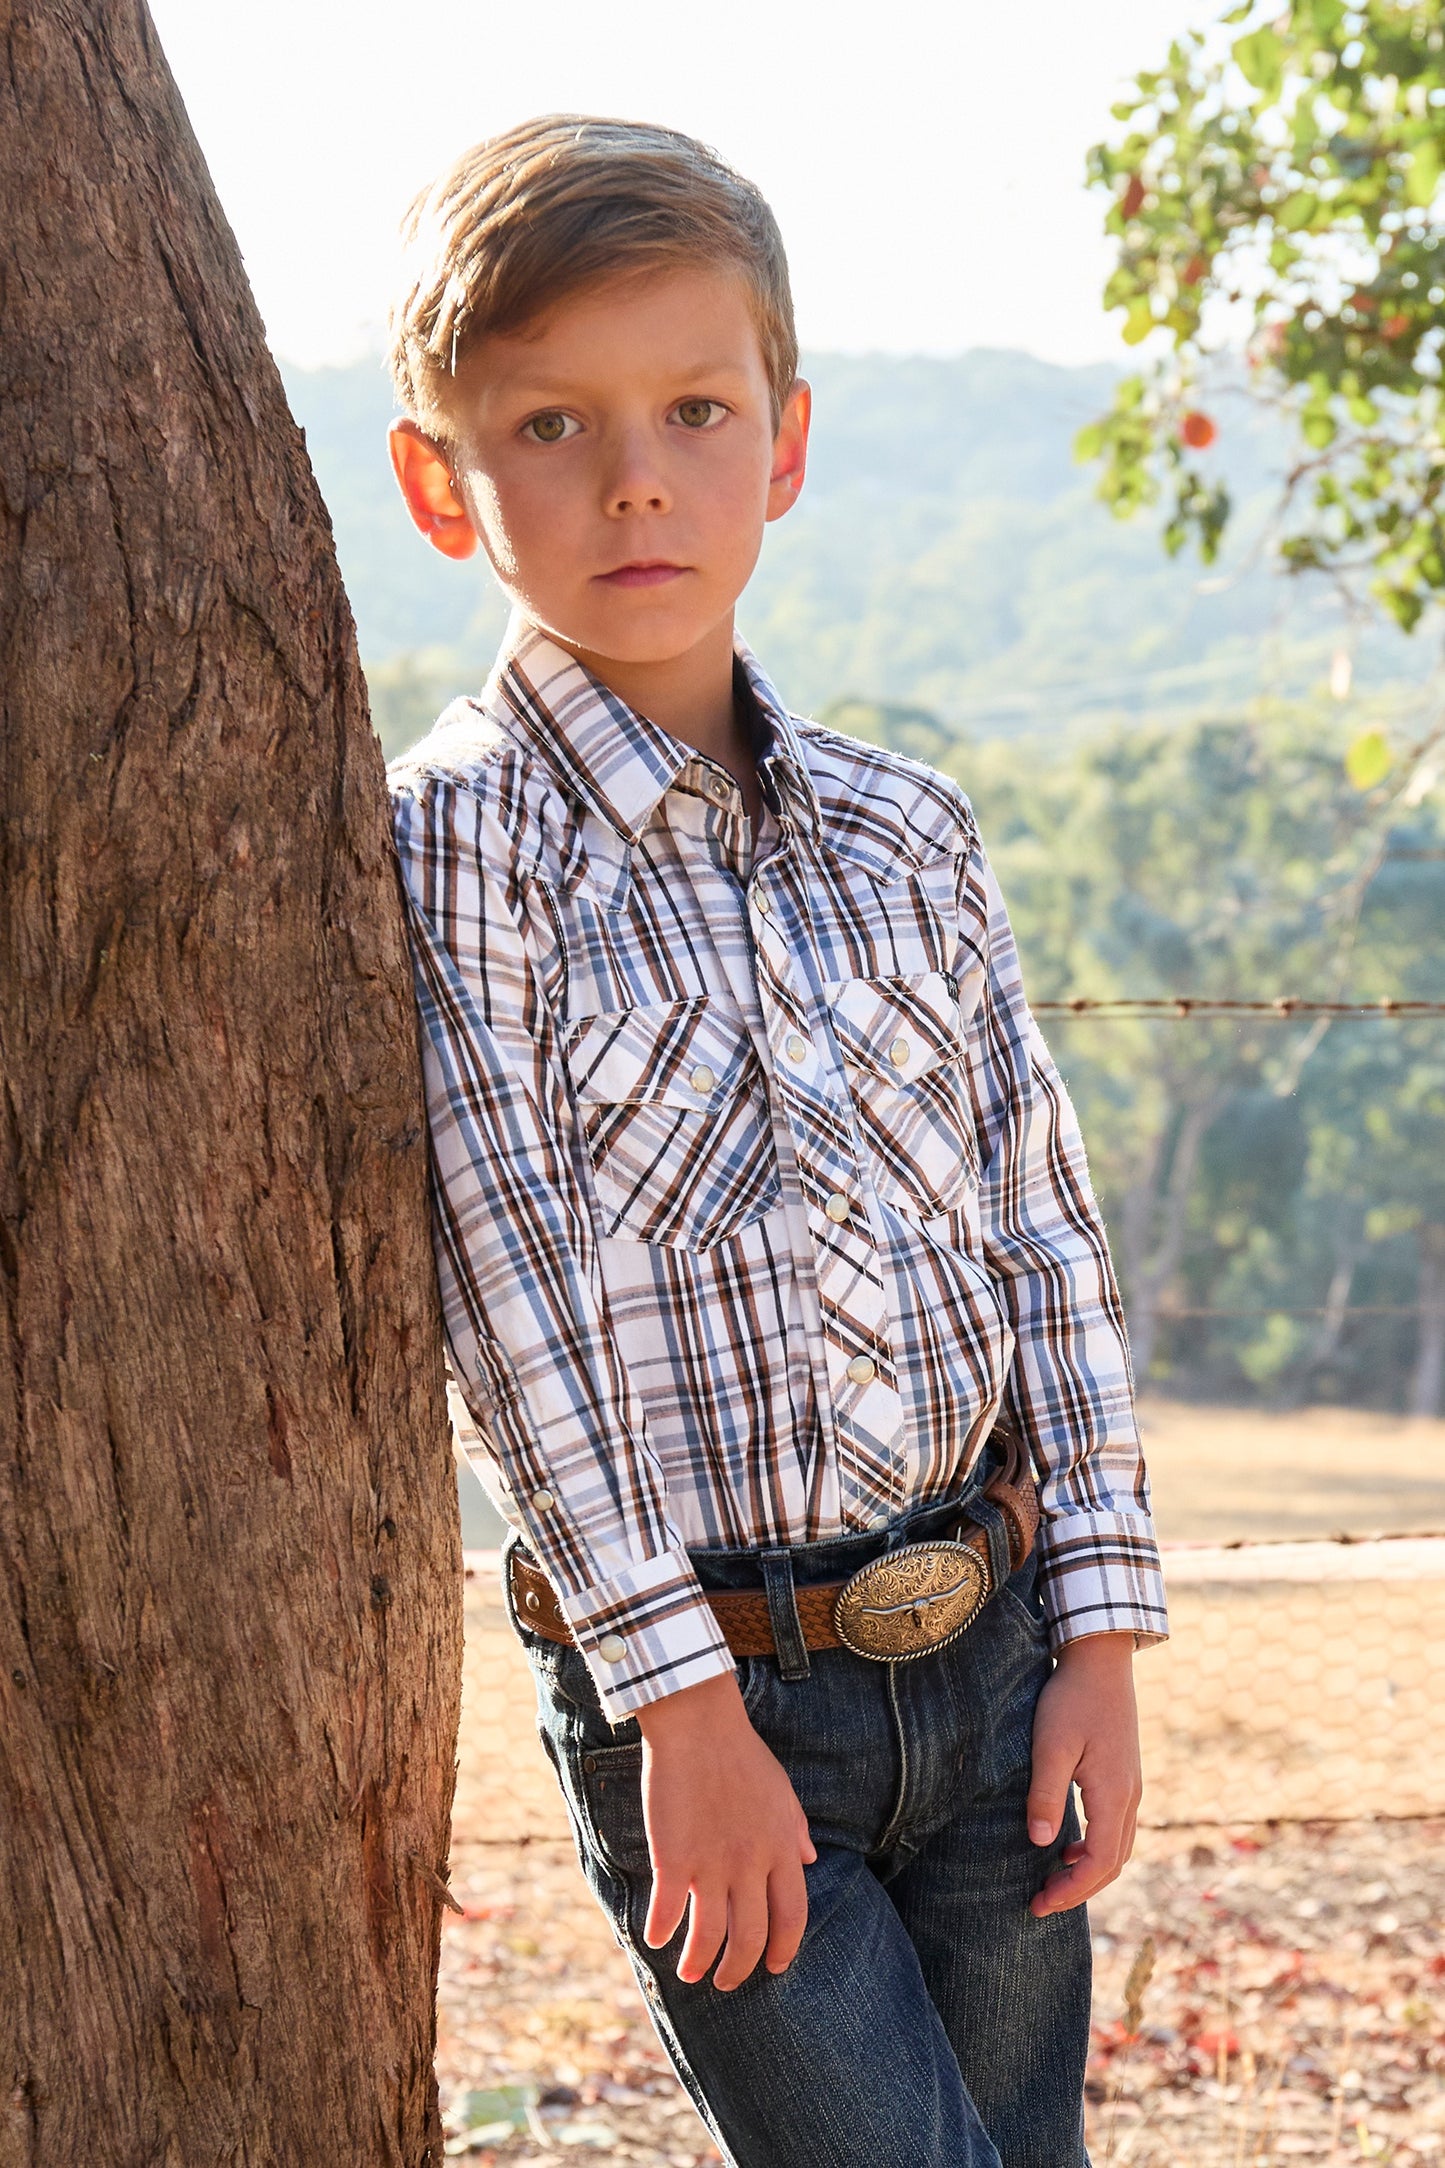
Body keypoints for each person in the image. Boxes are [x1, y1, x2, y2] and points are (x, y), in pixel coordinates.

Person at [384, 115, 1169, 2168]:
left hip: (991, 1654)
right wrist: (683, 1715)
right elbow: (512, 1295)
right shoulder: (463, 847)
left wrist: (1096, 1627)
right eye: (550, 422)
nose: (636, 475)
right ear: (435, 480)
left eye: (695, 410)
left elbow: (1041, 1230)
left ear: (788, 447)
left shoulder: (914, 834)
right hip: (726, 1701)